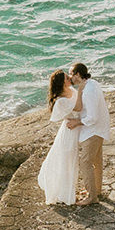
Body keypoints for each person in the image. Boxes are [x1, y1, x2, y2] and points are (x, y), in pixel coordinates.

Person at [36, 68, 80, 205]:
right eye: (67, 78)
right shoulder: (61, 101)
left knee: (73, 162)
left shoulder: (72, 91)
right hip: (70, 131)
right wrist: (83, 88)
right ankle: (66, 194)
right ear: (62, 83)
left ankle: (69, 190)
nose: (70, 79)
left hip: (78, 127)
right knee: (67, 162)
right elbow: (79, 108)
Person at [70, 62, 111, 205]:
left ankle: (92, 197)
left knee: (85, 162)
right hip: (99, 129)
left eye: (71, 74)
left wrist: (77, 122)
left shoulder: (88, 91)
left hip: (93, 130)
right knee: (96, 161)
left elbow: (92, 117)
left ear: (78, 74)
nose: (70, 78)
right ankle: (95, 190)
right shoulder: (92, 84)